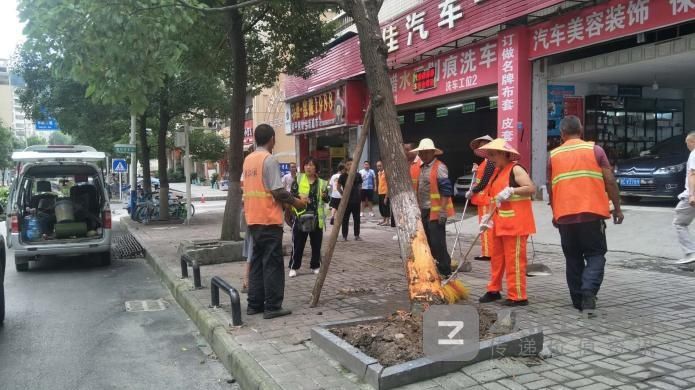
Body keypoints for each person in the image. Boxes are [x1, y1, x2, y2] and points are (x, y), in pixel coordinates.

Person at [548, 116, 624, 312]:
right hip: (592, 214)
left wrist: (555, 212)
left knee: (572, 257)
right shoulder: (595, 150)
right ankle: (589, 290)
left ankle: (578, 300)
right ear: (581, 131)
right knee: (596, 254)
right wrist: (617, 207)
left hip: (565, 215)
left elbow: (551, 187)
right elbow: (610, 181)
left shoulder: (553, 155)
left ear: (562, 135)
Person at [243, 124, 306, 319]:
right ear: (271, 138)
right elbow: (277, 191)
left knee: (257, 262)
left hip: (252, 218)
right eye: (275, 138)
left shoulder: (248, 159)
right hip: (269, 219)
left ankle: (254, 304)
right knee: (273, 264)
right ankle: (272, 306)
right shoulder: (268, 159)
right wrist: (298, 202)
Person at [476, 138, 536, 307]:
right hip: (499, 223)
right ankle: (494, 290)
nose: (490, 158)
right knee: (497, 260)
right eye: (489, 155)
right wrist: (487, 218)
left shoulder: (515, 169)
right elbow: (495, 198)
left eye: (493, 154)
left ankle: (517, 296)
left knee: (514, 260)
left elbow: (531, 188)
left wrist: (512, 190)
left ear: (503, 153)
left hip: (516, 224)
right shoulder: (497, 172)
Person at [410, 138, 455, 277]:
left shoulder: (439, 167)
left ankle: (445, 270)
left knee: (437, 241)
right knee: (428, 240)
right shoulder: (421, 168)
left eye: (426, 152)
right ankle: (438, 264)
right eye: (421, 152)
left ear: (432, 152)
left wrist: (442, 210)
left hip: (436, 211)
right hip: (423, 209)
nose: (423, 155)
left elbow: (446, 190)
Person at [289, 157, 329, 277]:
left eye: (311, 165)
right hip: (301, 216)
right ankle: (294, 267)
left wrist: (324, 195)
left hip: (316, 218)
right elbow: (291, 195)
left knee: (316, 244)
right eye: (306, 164)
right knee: (298, 244)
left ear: (316, 168)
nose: (308, 167)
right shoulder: (299, 179)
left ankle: (315, 265)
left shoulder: (322, 183)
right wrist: (299, 197)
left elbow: (328, 199)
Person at [466, 135, 496, 261]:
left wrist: (473, 191)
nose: (481, 148)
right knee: (485, 225)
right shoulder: (486, 161)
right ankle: (488, 252)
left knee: (486, 226)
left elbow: (484, 181)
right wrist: (476, 170)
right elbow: (481, 177)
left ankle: (488, 253)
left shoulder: (490, 162)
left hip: (486, 198)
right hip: (484, 199)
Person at [675, 132, 695, 265]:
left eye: (687, 142)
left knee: (679, 223)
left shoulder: (694, 154)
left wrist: (692, 194)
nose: (686, 144)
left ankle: (691, 252)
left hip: (691, 195)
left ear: (693, 142)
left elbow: (693, 174)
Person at [338, 157, 362, 241]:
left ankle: (357, 235)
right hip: (346, 201)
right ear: (345, 166)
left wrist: (358, 194)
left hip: (356, 200)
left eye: (351, 164)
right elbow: (338, 187)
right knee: (345, 219)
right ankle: (344, 236)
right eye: (348, 164)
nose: (350, 166)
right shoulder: (342, 176)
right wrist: (343, 194)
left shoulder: (358, 175)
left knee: (357, 218)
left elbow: (360, 185)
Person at [376, 160, 390, 226]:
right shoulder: (379, 173)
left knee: (386, 207)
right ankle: (384, 220)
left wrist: (386, 197)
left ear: (383, 165)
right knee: (381, 207)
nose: (378, 167)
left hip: (385, 193)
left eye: (380, 166)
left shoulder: (386, 173)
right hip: (380, 192)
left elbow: (388, 185)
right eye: (377, 166)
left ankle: (387, 221)